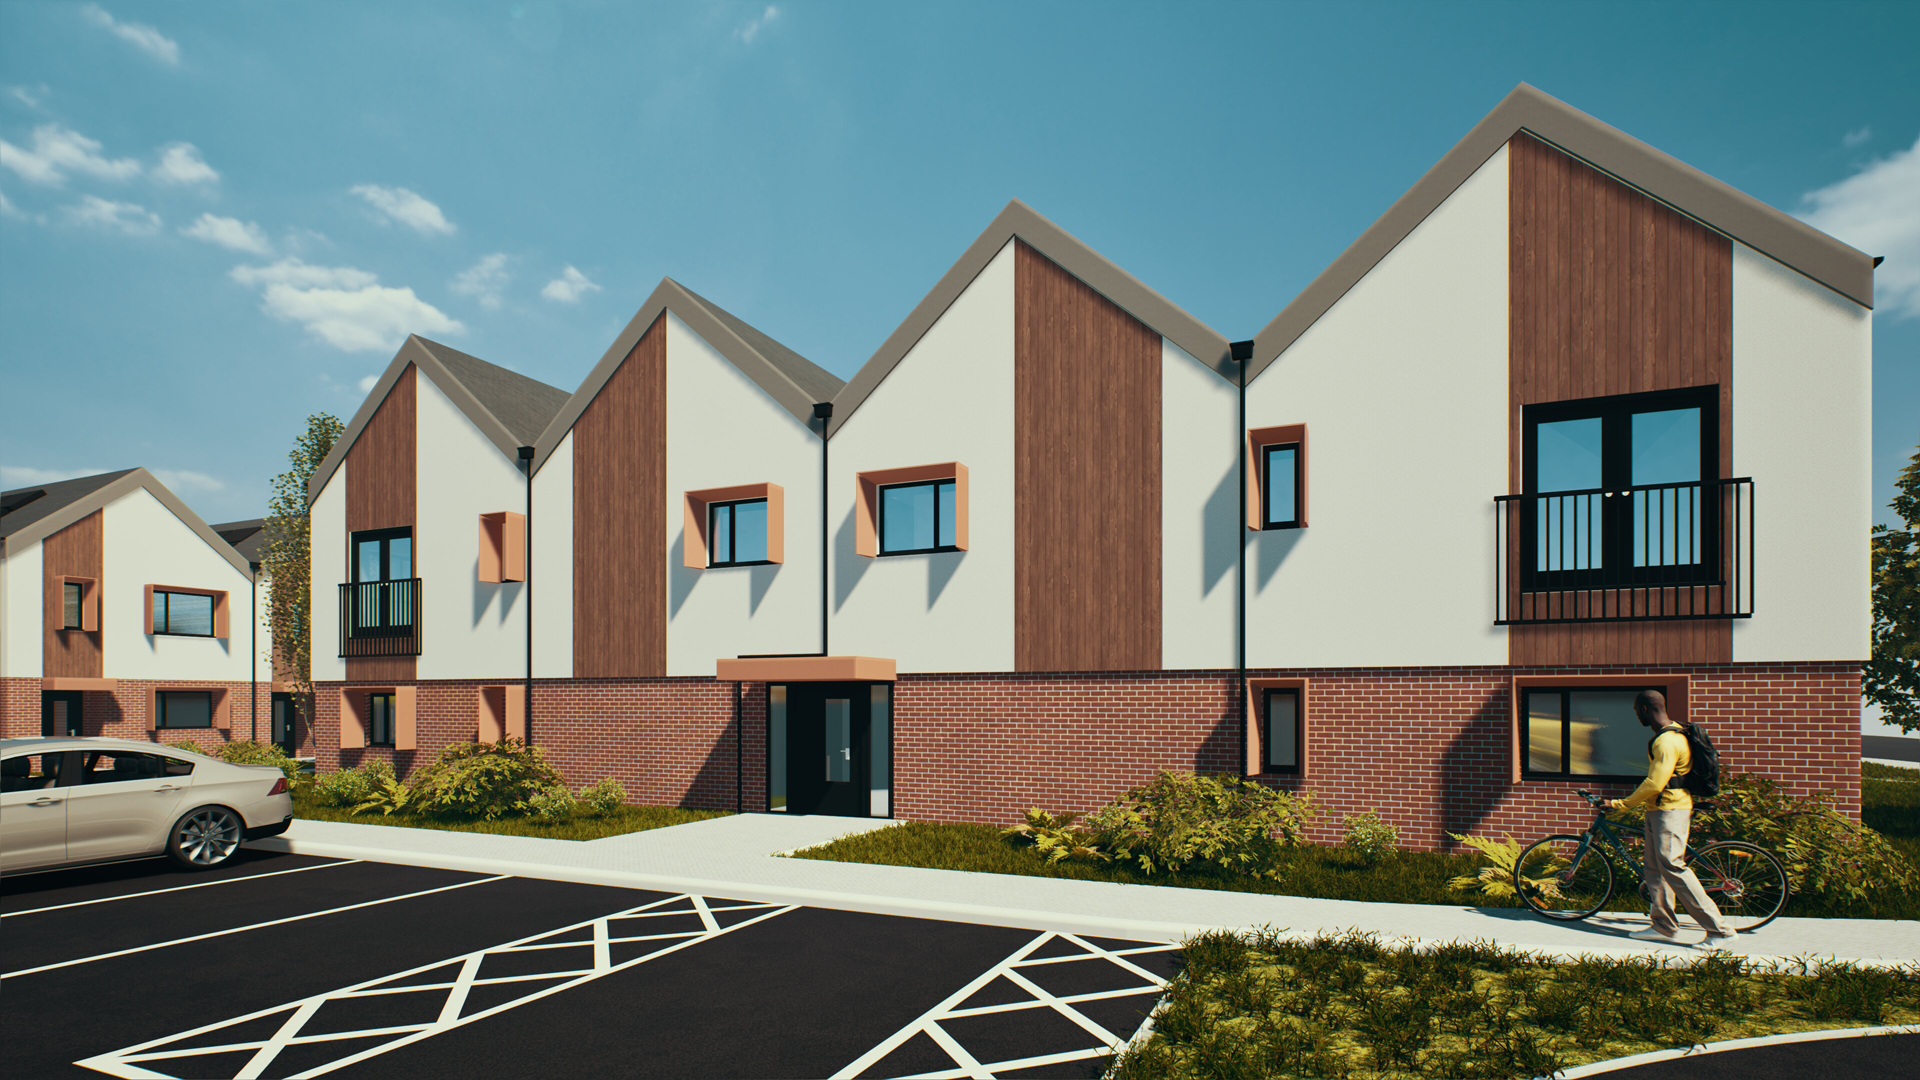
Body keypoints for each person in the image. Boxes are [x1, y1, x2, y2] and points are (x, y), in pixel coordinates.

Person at [1609, 689, 1736, 949]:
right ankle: (1663, 926)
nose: (1636, 716)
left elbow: (1655, 783)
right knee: (1655, 868)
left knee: (1673, 866)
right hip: (1659, 809)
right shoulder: (1674, 733)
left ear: (1645, 709)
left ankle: (1720, 931)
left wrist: (1619, 804)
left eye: (1636, 711)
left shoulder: (1666, 741)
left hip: (1671, 810)